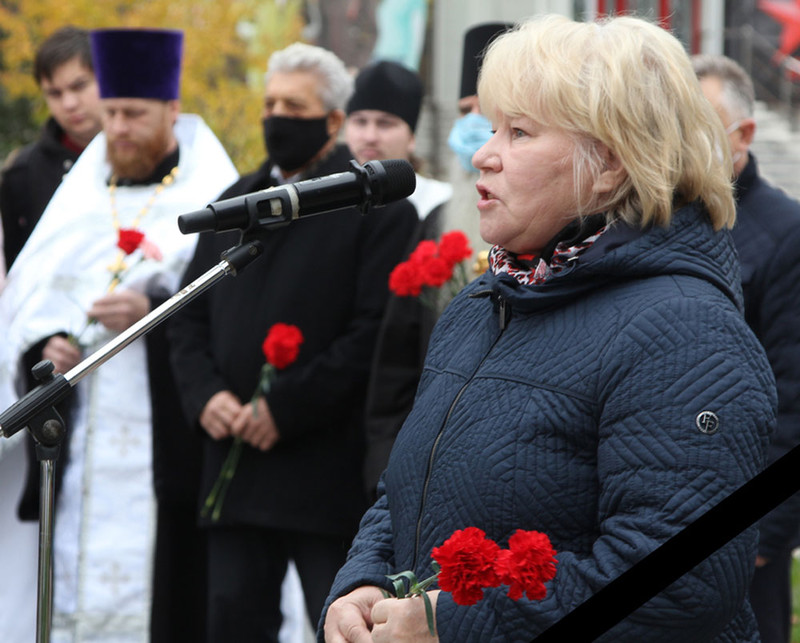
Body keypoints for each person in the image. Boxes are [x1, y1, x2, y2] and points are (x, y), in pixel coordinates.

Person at [321, 14, 776, 642]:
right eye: (488, 128)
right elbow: (410, 487)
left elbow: (684, 584)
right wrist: (364, 581)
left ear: (611, 162)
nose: (483, 153)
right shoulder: (483, 303)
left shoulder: (686, 333)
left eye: (519, 132)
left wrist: (453, 627)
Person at [168, 42, 417, 642]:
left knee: (335, 620)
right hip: (235, 462)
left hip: (324, 471)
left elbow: (373, 335)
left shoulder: (372, 208)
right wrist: (206, 397)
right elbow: (185, 315)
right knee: (231, 618)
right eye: (270, 102)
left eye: (294, 105)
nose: (277, 115)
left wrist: (283, 408)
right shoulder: (238, 201)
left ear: (333, 121)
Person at [0, 27, 238, 642]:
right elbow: (30, 303)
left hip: (164, 440)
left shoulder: (213, 194)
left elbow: (230, 310)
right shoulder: (77, 197)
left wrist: (153, 307)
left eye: (134, 113)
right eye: (111, 113)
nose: (119, 127)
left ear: (172, 111)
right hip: (79, 449)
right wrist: (43, 347)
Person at [693, 53, 800, 643]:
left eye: (701, 124)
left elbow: (794, 396)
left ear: (745, 135)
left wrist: (764, 533)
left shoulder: (785, 233)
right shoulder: (667, 219)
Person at [344, 59, 452, 498]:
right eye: (360, 121)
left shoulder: (441, 205)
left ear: (410, 133)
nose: (370, 135)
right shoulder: (330, 201)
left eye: (385, 123)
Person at [0, 25, 102, 270]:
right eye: (54, 93)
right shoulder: (21, 174)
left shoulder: (148, 160)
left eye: (79, 86)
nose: (69, 103)